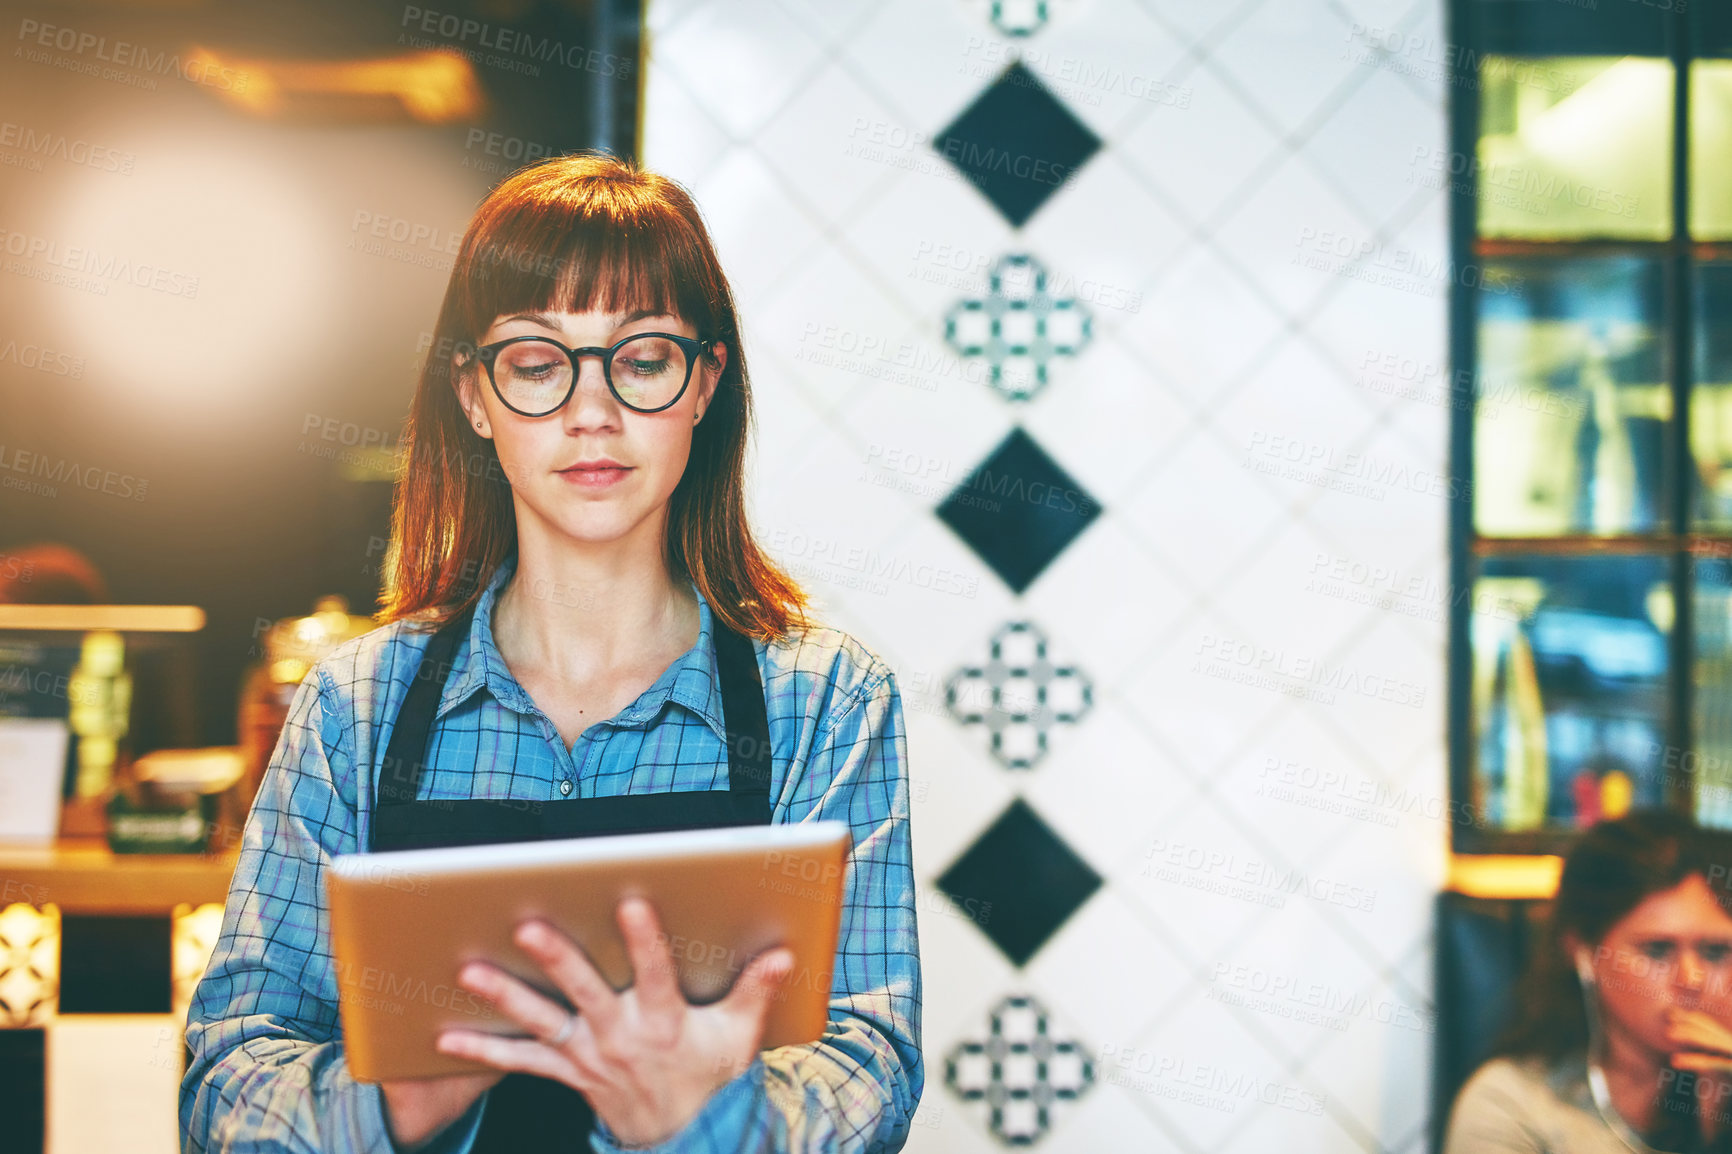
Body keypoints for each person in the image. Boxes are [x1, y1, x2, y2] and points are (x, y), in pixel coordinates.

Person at [180, 153, 922, 1153]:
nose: (591, 411)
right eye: (537, 362)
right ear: (475, 398)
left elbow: (865, 1056)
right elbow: (228, 1074)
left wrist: (703, 1118)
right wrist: (397, 1098)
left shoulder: (825, 698)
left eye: (643, 357)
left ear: (704, 383)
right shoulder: (355, 703)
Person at [1445, 809, 1732, 1153]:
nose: (1692, 979)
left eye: (1716, 952)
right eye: (1657, 950)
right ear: (1583, 950)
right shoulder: (1513, 1104)